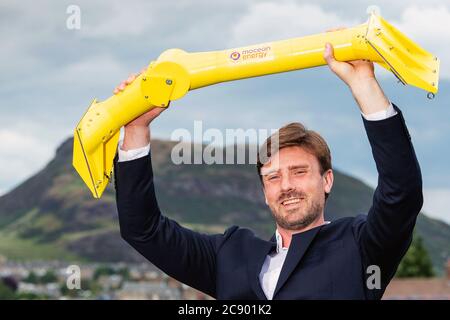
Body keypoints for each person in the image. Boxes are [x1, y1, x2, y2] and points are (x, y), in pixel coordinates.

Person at [112, 42, 423, 299]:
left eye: (299, 172)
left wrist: (364, 86)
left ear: (327, 180)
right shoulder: (229, 256)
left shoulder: (361, 246)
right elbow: (144, 230)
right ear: (264, 193)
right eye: (273, 177)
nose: (286, 185)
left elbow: (402, 193)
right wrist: (136, 128)